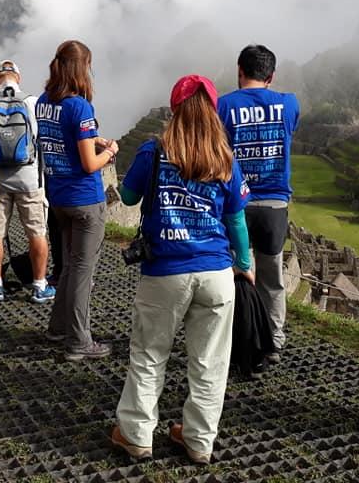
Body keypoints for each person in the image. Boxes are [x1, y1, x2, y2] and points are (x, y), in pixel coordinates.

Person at [111, 75, 251, 465]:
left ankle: (136, 435)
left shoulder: (153, 151)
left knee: (149, 354)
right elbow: (236, 220)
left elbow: (128, 196)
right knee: (210, 364)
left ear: (174, 109)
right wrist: (244, 265)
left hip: (165, 271)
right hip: (216, 272)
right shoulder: (224, 157)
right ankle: (199, 441)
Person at [217, 45, 300, 361]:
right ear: (271, 75)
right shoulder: (288, 103)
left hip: (235, 204)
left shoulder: (223, 106)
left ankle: (236, 340)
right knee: (272, 279)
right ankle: (274, 342)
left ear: (240, 70)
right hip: (274, 206)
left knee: (235, 273)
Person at [36, 40, 117, 361]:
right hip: (84, 199)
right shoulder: (80, 107)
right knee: (83, 271)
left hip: (58, 196)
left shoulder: (44, 102)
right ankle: (79, 340)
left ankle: (58, 327)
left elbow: (61, 138)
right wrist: (109, 152)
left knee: (69, 266)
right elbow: (89, 164)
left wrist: (92, 139)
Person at [0, 60, 55, 304]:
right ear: (17, 78)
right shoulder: (32, 102)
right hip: (29, 180)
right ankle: (39, 286)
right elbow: (40, 139)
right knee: (37, 232)